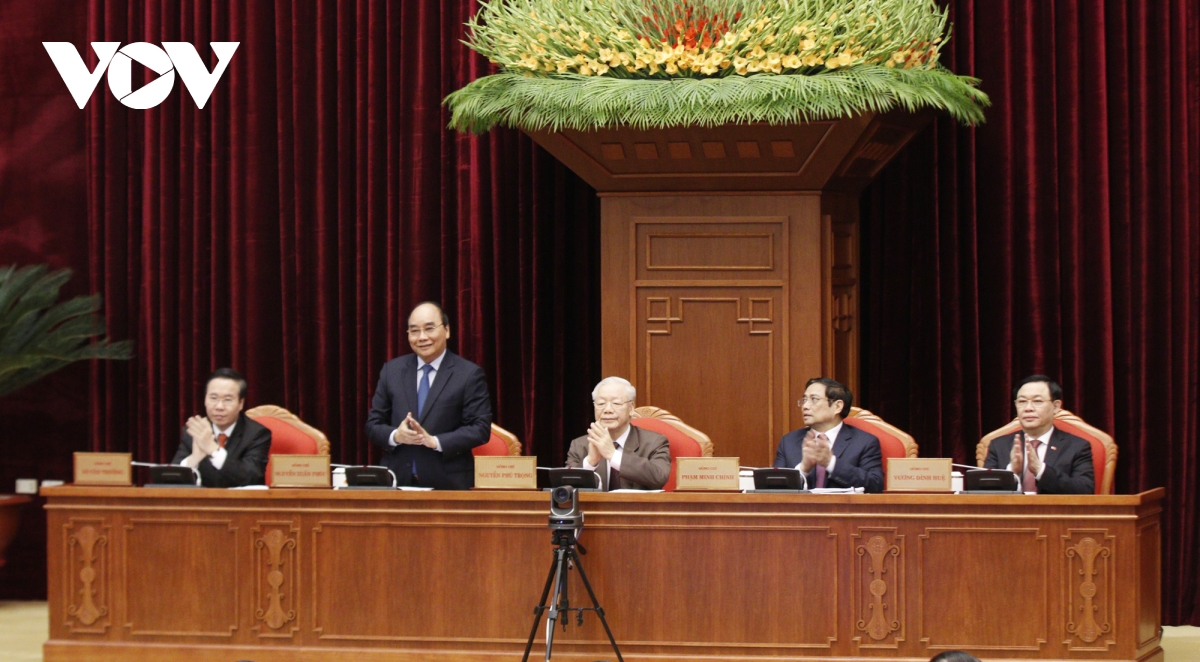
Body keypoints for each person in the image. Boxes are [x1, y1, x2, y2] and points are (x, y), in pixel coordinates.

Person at [365, 301, 492, 489]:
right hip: (396, 483)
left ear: (447, 330)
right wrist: (396, 435)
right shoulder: (392, 371)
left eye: (429, 328)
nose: (422, 337)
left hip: (448, 485)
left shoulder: (468, 374)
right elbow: (373, 425)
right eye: (414, 331)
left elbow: (480, 429)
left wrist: (435, 441)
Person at [983, 375, 1095, 494]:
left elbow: (1085, 490)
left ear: (1056, 406)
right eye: (1022, 401)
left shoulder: (1077, 446)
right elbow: (983, 491)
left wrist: (1040, 470)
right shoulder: (999, 445)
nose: (1028, 408)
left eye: (1037, 401)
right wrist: (1011, 473)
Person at [773, 377, 884, 493]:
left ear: (837, 406)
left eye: (814, 399)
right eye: (804, 400)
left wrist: (831, 463)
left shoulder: (864, 442)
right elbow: (772, 488)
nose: (805, 406)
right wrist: (803, 469)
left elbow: (875, 485)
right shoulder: (788, 442)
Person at [172, 368, 272, 487]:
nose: (219, 406)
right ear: (205, 399)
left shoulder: (257, 433)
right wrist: (194, 458)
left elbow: (251, 476)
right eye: (213, 398)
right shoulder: (195, 431)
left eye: (227, 400)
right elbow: (172, 479)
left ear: (241, 403)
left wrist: (214, 450)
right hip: (202, 499)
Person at [566, 377, 670, 491]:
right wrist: (590, 462)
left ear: (631, 408)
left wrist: (612, 455)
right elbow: (566, 488)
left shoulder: (654, 442)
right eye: (601, 403)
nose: (607, 410)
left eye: (616, 403)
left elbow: (659, 477)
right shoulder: (580, 445)